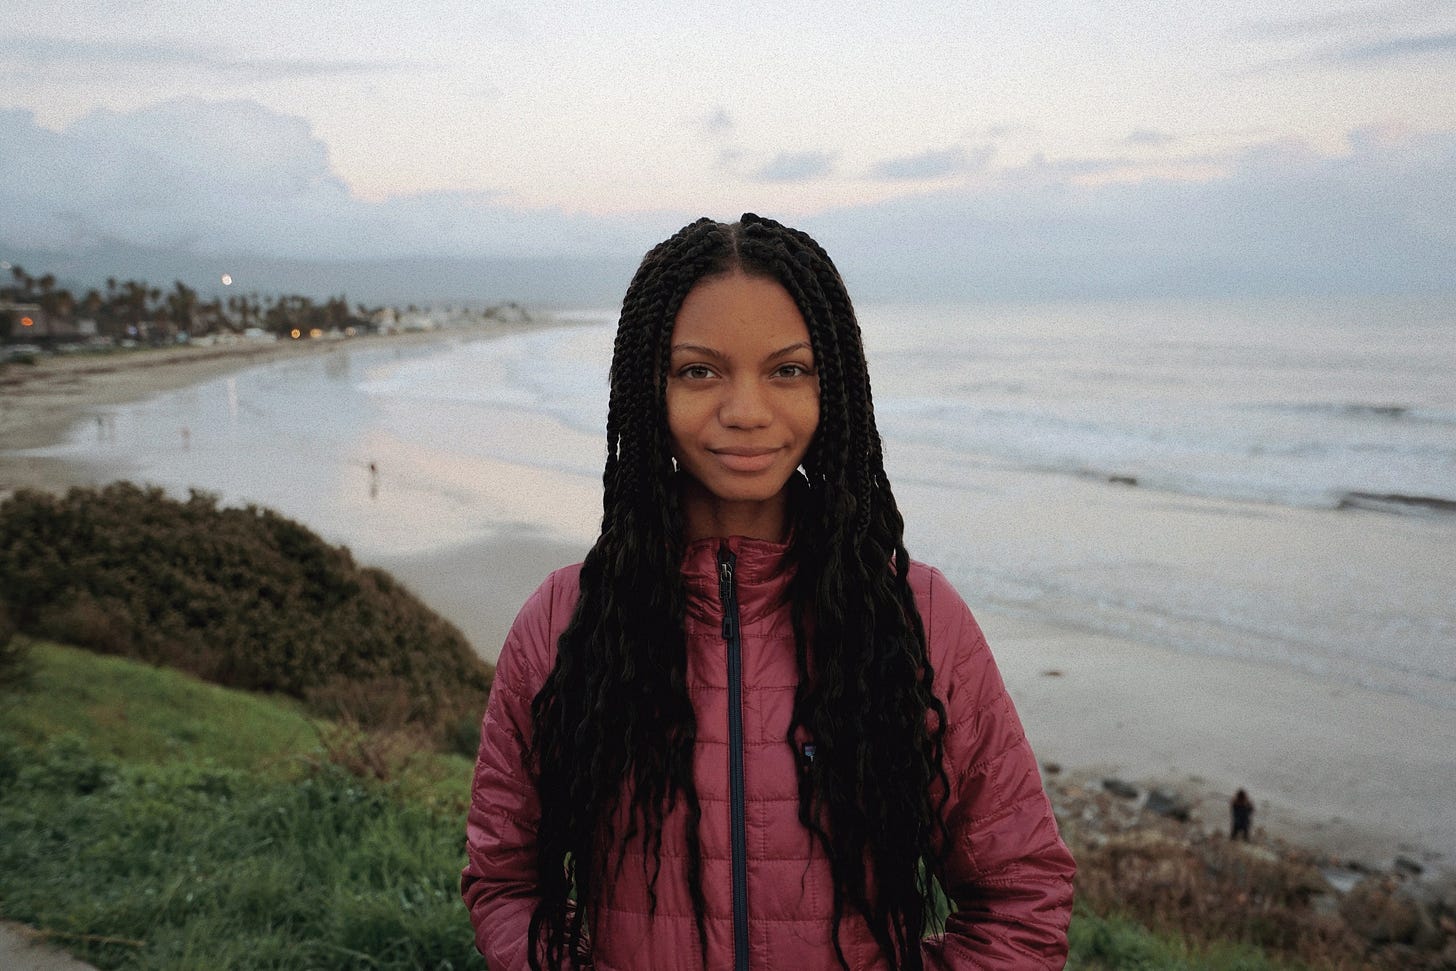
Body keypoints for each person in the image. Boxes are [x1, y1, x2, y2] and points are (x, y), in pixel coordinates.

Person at [462, 215, 1076, 970]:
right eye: (699, 370)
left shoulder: (914, 617)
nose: (746, 410)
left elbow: (1021, 891)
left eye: (788, 369)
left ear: (835, 386)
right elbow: (504, 879)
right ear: (646, 387)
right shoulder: (564, 622)